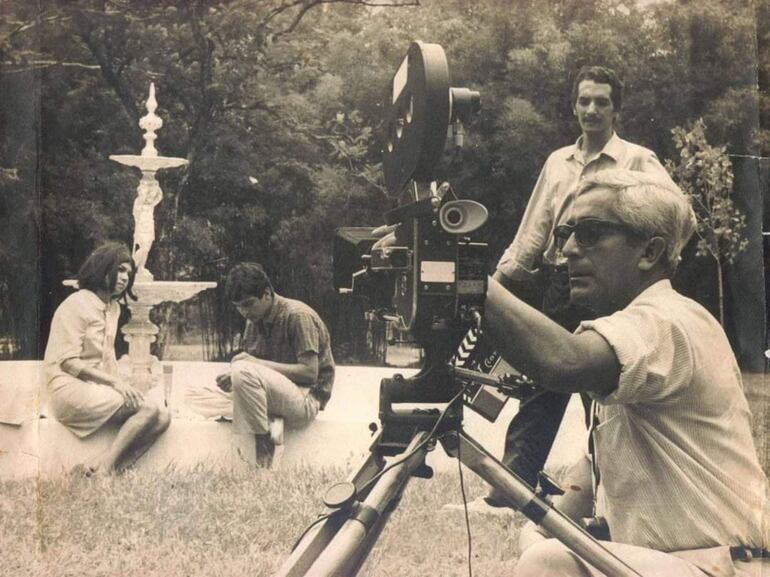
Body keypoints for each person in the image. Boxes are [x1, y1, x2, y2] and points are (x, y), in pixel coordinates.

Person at [483, 169, 769, 576]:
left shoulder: (666, 321)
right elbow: (595, 460)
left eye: (590, 233)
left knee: (546, 564)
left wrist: (471, 281)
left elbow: (564, 362)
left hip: (719, 567)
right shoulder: (641, 330)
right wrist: (548, 525)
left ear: (650, 252)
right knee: (548, 548)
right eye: (565, 233)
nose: (567, 250)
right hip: (686, 565)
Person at [489, 65, 675, 499]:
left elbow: (674, 215)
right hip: (561, 281)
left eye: (602, 102)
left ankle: (608, 490)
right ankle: (510, 490)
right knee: (541, 383)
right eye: (585, 101)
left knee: (607, 391)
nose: (592, 109)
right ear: (574, 106)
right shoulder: (558, 162)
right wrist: (493, 288)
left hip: (613, 285)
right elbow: (533, 231)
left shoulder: (639, 160)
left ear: (616, 110)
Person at [44, 242, 171, 475]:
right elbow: (67, 362)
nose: (124, 278)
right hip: (66, 388)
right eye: (120, 270)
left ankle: (98, 466)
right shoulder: (76, 304)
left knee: (163, 417)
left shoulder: (113, 308)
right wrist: (115, 384)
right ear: (102, 268)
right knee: (149, 409)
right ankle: (104, 471)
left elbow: (106, 358)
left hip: (93, 388)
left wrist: (126, 384)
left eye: (128, 273)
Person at [211, 262, 335, 467]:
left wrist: (253, 366)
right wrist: (233, 379)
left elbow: (310, 373)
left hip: (305, 399)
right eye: (238, 307)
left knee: (242, 370)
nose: (244, 312)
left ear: (267, 294)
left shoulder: (297, 316)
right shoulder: (253, 319)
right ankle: (271, 422)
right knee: (198, 397)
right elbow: (254, 372)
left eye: (249, 304)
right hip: (275, 396)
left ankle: (265, 450)